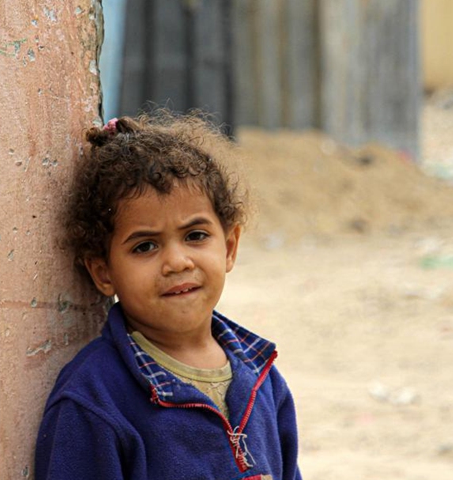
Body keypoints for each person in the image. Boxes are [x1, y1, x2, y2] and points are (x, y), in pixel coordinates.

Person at [35, 114, 302, 479]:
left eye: (195, 236)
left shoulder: (263, 378)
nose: (177, 262)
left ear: (229, 246)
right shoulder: (95, 399)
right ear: (103, 272)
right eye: (145, 246)